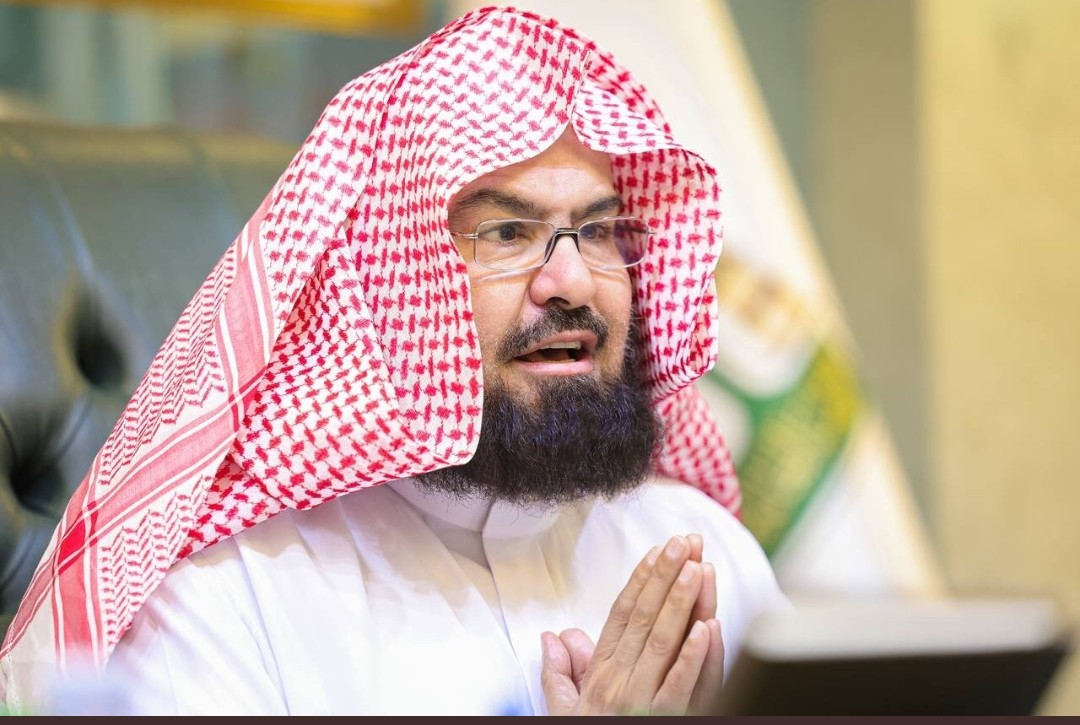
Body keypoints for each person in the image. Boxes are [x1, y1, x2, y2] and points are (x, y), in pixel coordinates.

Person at [0, 5, 786, 716]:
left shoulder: (704, 558)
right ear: (391, 276)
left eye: (600, 230)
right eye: (507, 233)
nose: (573, 280)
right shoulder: (224, 605)